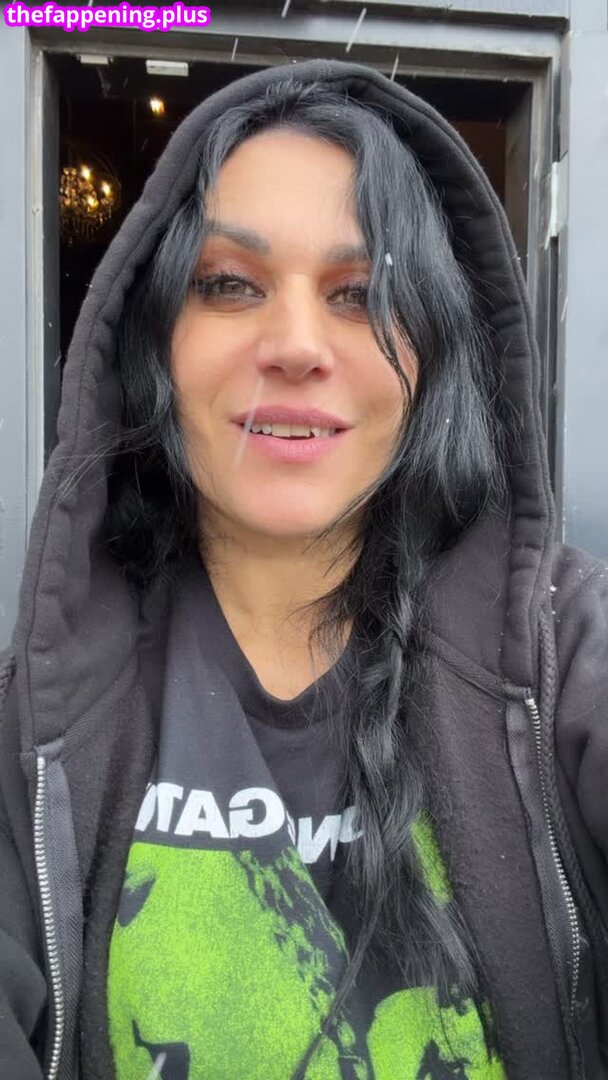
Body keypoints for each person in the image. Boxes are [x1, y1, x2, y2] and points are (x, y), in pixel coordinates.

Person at [0, 57, 606, 1080]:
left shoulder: (564, 653)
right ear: (154, 343)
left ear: (434, 357)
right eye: (229, 284)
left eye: (362, 294)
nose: (294, 344)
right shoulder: (39, 725)